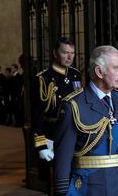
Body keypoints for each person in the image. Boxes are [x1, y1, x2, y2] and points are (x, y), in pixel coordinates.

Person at [53, 45, 118, 195]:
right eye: (116, 68)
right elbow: (62, 160)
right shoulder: (74, 105)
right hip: (91, 187)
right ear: (99, 72)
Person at [31, 37, 82, 194]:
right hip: (52, 136)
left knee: (75, 178)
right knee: (56, 184)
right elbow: (37, 114)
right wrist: (41, 145)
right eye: (65, 53)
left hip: (74, 134)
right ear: (55, 53)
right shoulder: (43, 79)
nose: (69, 57)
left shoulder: (75, 75)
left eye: (72, 53)